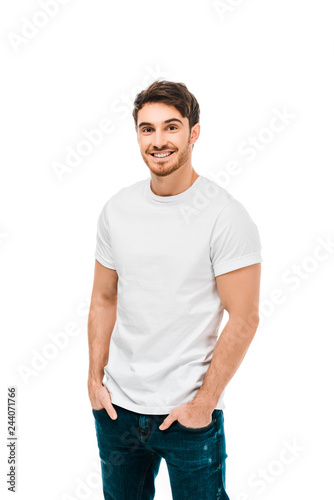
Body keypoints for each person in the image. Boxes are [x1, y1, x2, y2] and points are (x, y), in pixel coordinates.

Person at [87, 79, 263, 500]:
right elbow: (103, 298)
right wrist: (94, 380)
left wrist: (204, 403)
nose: (159, 140)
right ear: (137, 135)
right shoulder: (117, 209)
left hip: (188, 419)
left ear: (193, 133)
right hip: (118, 412)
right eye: (147, 129)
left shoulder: (225, 215)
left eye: (171, 126)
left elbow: (245, 316)